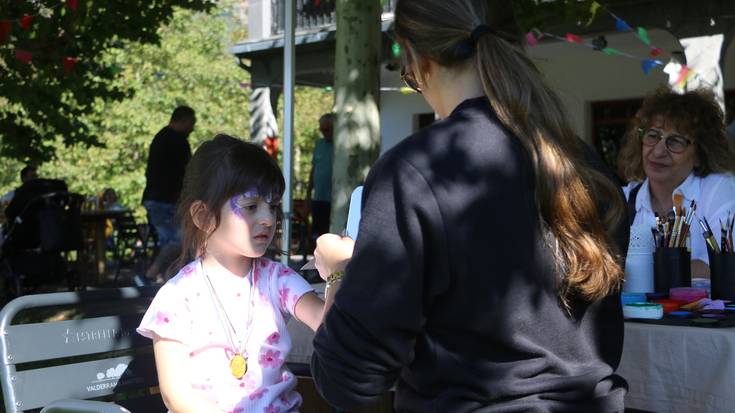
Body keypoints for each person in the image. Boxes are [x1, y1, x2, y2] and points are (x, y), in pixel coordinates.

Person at [310, 0, 628, 411]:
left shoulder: (417, 169)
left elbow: (348, 379)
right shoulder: (581, 161)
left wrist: (339, 273)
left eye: (408, 73)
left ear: (417, 55)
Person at [137, 134, 336, 413]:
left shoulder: (277, 280)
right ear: (204, 216)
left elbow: (335, 330)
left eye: (273, 205)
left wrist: (339, 274)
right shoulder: (178, 297)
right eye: (251, 206)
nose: (268, 218)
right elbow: (176, 396)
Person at [619, 87, 735, 278]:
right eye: (652, 136)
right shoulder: (621, 199)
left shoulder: (718, 189)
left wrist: (636, 270)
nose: (658, 151)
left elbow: (727, 268)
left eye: (676, 141)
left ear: (700, 153)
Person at [141, 105, 195, 281]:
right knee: (177, 240)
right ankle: (152, 274)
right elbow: (189, 171)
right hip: (165, 200)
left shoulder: (161, 138)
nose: (192, 129)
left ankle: (167, 278)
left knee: (174, 240)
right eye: (191, 123)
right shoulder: (177, 141)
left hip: (157, 198)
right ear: (184, 120)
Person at [306, 113, 335, 244]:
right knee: (317, 233)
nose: (324, 133)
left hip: (334, 200)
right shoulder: (319, 144)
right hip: (318, 197)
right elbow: (313, 170)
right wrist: (308, 194)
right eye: (321, 130)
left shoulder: (340, 147)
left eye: (327, 130)